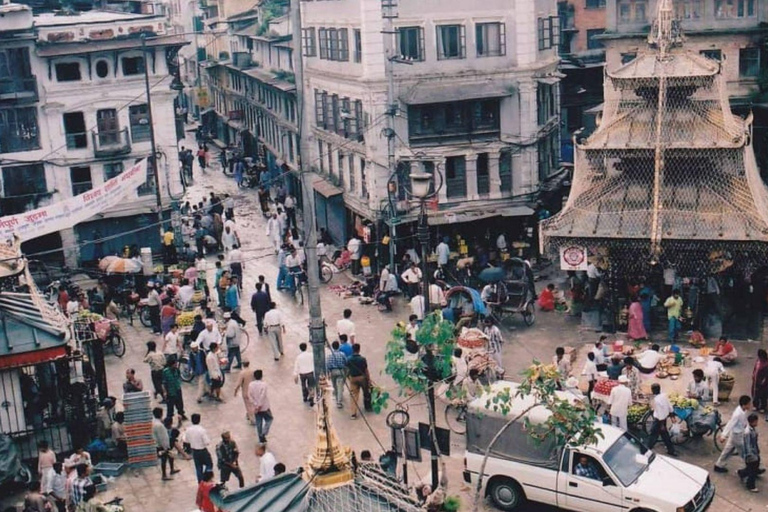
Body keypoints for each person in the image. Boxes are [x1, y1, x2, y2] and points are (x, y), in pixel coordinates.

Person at [715, 395, 752, 472]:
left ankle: (719, 464)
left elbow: (744, 422)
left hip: (735, 434)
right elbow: (730, 424)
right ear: (744, 405)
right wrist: (723, 435)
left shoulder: (743, 410)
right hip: (737, 436)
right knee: (745, 451)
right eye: (749, 404)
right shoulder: (737, 414)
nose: (750, 405)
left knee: (728, 450)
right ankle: (751, 466)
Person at [646, 383, 678, 456]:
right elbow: (669, 406)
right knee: (664, 435)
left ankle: (647, 448)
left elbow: (660, 414)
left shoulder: (657, 400)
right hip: (663, 419)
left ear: (653, 390)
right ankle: (671, 450)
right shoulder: (664, 396)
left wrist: (662, 425)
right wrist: (672, 415)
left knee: (653, 434)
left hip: (659, 421)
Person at [152, 407, 178, 480]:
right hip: (162, 445)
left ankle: (172, 469)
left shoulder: (154, 422)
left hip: (159, 443)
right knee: (164, 459)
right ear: (161, 414)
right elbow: (162, 437)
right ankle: (164, 475)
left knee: (170, 456)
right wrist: (166, 447)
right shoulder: (159, 425)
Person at [187, 413, 213, 482]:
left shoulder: (188, 430)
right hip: (202, 450)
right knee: (209, 464)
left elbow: (186, 440)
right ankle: (207, 478)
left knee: (198, 467)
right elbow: (207, 442)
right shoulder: (201, 430)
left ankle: (200, 482)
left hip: (194, 451)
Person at [248, 370, 273, 443]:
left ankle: (260, 438)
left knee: (259, 423)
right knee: (269, 419)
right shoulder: (264, 384)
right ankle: (264, 433)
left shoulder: (251, 385)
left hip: (255, 408)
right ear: (261, 376)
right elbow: (263, 396)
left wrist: (255, 404)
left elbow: (250, 396)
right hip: (264, 407)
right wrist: (259, 405)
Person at [347, 343, 370, 419]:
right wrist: (368, 379)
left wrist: (348, 377)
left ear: (352, 350)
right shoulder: (362, 359)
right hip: (362, 378)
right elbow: (366, 370)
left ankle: (353, 413)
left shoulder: (349, 359)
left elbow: (347, 369)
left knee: (353, 396)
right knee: (366, 392)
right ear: (359, 350)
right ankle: (367, 406)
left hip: (353, 378)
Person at [739, 413, 761, 492]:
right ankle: (750, 485)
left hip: (754, 452)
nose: (757, 423)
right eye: (756, 421)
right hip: (751, 455)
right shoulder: (747, 432)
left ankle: (742, 473)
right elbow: (747, 445)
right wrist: (751, 455)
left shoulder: (752, 429)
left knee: (752, 467)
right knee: (753, 470)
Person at [162, 358, 186, 422]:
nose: (176, 365)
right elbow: (163, 383)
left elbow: (178, 378)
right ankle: (169, 418)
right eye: (175, 364)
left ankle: (181, 414)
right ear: (171, 364)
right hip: (170, 391)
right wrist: (165, 392)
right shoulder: (165, 372)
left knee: (180, 404)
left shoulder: (177, 370)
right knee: (170, 406)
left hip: (177, 389)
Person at [327, 341, 348, 408]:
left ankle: (336, 398)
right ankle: (339, 402)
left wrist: (328, 373)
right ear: (338, 346)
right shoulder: (342, 354)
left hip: (333, 372)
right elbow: (346, 362)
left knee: (335, 386)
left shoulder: (330, 355)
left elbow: (327, 365)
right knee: (340, 387)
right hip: (340, 371)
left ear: (333, 347)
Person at [294, 343, 316, 407]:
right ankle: (311, 397)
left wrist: (295, 374)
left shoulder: (298, 357)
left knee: (303, 385)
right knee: (311, 385)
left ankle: (305, 397)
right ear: (306, 347)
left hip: (302, 373)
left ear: (300, 348)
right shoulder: (311, 355)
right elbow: (314, 362)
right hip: (310, 372)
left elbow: (296, 366)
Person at [751, 349, 768, 415]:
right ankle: (755, 405)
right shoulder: (758, 361)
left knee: (763, 395)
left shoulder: (766, 364)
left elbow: (766, 375)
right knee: (755, 393)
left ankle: (763, 407)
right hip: (756, 380)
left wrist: (763, 382)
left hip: (763, 383)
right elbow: (755, 369)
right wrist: (753, 374)